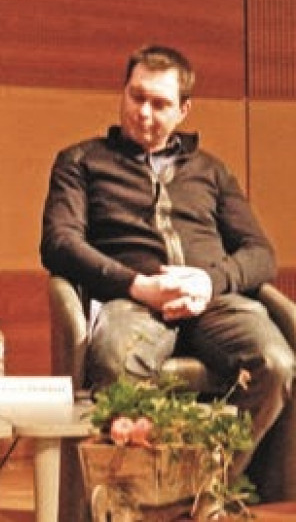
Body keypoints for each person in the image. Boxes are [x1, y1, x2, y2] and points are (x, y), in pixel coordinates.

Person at [40, 44, 295, 474]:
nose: (144, 112)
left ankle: (207, 483)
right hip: (133, 301)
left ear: (184, 110)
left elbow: (260, 253)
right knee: (116, 363)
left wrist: (209, 283)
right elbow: (59, 241)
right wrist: (137, 285)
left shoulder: (212, 171)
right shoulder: (81, 161)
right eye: (136, 97)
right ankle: (138, 492)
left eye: (160, 104)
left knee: (276, 363)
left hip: (214, 303)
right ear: (122, 93)